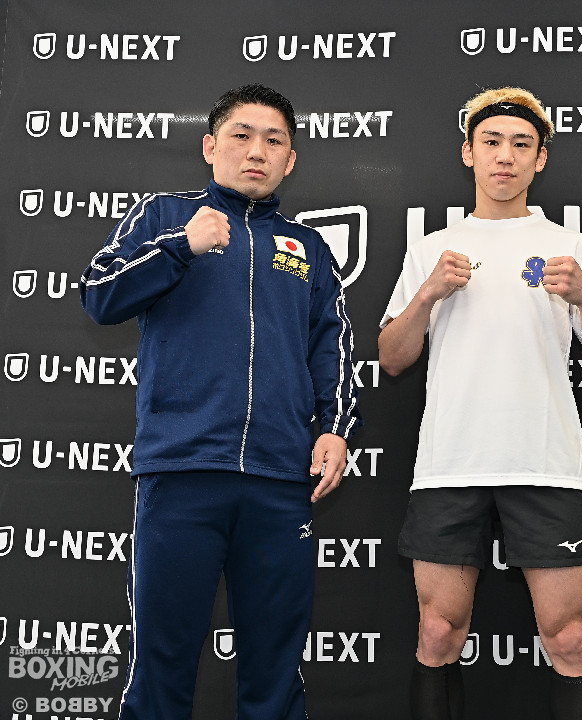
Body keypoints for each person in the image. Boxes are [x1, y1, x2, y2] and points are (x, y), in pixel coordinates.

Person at [80, 83, 361, 719]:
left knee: (275, 674)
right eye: (241, 135)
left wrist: (337, 428)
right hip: (182, 474)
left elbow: (333, 349)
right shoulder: (163, 217)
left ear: (290, 159)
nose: (256, 151)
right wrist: (181, 246)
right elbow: (99, 294)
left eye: (274, 141)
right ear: (210, 147)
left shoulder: (310, 249)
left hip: (279, 481)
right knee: (161, 667)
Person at [379, 87, 582, 720]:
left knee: (568, 638)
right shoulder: (432, 248)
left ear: (540, 159)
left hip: (546, 463)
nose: (505, 156)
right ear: (468, 152)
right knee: (438, 632)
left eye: (521, 144)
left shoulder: (574, 248)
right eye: (491, 142)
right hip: (450, 465)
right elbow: (392, 357)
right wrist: (427, 294)